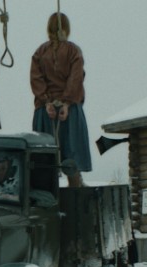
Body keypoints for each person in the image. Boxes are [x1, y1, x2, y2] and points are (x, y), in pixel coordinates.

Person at [30, 12, 91, 188]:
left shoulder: (40, 52)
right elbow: (76, 78)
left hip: (45, 111)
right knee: (72, 160)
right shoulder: (73, 51)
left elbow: (36, 79)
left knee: (47, 160)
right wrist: (66, 102)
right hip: (69, 112)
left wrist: (47, 101)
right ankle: (75, 194)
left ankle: (51, 198)